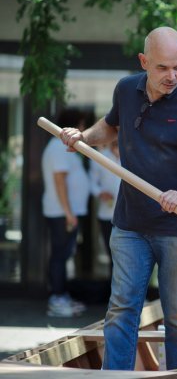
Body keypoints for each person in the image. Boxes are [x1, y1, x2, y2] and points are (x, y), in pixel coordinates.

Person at [60, 27, 177, 370]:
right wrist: (82, 136)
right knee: (122, 308)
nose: (173, 76)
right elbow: (111, 126)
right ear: (144, 61)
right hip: (130, 223)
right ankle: (115, 378)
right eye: (162, 68)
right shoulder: (127, 89)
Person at [42, 108, 91, 318]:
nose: (82, 129)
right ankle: (57, 298)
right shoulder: (57, 147)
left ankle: (61, 296)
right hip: (62, 212)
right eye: (80, 124)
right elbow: (59, 181)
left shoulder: (60, 146)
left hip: (65, 212)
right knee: (60, 255)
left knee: (63, 254)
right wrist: (68, 213)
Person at [89, 140, 121, 276]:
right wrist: (100, 193)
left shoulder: (131, 157)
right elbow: (91, 182)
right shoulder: (100, 157)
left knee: (127, 256)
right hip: (106, 214)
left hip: (127, 215)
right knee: (112, 255)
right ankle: (113, 292)